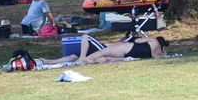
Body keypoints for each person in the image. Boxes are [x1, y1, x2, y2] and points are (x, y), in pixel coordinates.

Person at [36, 35, 170, 66]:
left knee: (85, 37)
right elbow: (162, 55)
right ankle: (50, 62)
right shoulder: (158, 53)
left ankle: (82, 58)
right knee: (73, 56)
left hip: (113, 49)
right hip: (123, 54)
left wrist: (147, 37)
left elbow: (136, 41)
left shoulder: (153, 41)